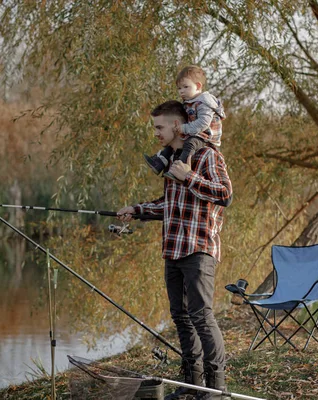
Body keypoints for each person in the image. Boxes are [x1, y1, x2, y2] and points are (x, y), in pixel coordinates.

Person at [118, 100, 232, 400]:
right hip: (173, 249)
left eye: (159, 127)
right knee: (181, 317)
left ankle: (216, 388)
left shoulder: (207, 154)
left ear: (177, 126)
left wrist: (188, 176)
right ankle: (191, 384)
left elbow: (224, 194)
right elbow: (169, 205)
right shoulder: (170, 160)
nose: (156, 133)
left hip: (198, 249)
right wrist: (138, 210)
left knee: (202, 316)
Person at [144, 65, 225, 183]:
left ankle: (179, 170)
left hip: (206, 136)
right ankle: (159, 162)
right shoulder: (189, 102)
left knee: (189, 144)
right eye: (179, 88)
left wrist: (184, 128)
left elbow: (203, 123)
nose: (181, 91)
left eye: (185, 87)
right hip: (195, 132)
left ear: (198, 86)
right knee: (173, 143)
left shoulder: (204, 103)